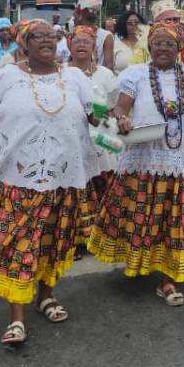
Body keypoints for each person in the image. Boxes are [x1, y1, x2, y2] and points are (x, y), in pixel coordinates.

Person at [0, 18, 97, 346]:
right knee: (18, 245)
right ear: (23, 44)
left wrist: (115, 121)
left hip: (63, 180)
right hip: (16, 179)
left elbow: (97, 115)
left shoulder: (75, 78)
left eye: (51, 36)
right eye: (36, 36)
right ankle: (17, 317)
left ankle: (46, 296)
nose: (46, 41)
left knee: (53, 242)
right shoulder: (8, 76)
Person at [89, 21, 184, 305]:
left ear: (179, 48)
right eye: (158, 43)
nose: (163, 48)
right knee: (147, 217)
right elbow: (121, 108)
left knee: (178, 218)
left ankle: (168, 279)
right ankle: (142, 263)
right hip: (145, 157)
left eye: (169, 44)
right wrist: (122, 119)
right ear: (149, 47)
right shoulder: (134, 74)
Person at [66, 25, 118, 259]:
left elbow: (118, 105)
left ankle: (104, 237)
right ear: (69, 46)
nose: (81, 46)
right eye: (77, 42)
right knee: (77, 191)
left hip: (103, 137)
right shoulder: (62, 73)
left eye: (86, 42)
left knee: (105, 187)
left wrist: (109, 113)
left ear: (94, 46)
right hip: (74, 139)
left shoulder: (106, 75)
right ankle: (76, 241)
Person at [131, 1, 184, 81]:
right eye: (168, 20)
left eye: (176, 20)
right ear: (156, 24)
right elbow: (133, 75)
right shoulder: (143, 49)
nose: (173, 24)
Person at [74, 0, 116, 69]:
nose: (73, 19)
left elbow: (109, 66)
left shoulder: (106, 36)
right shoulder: (73, 35)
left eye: (75, 15)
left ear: (80, 16)